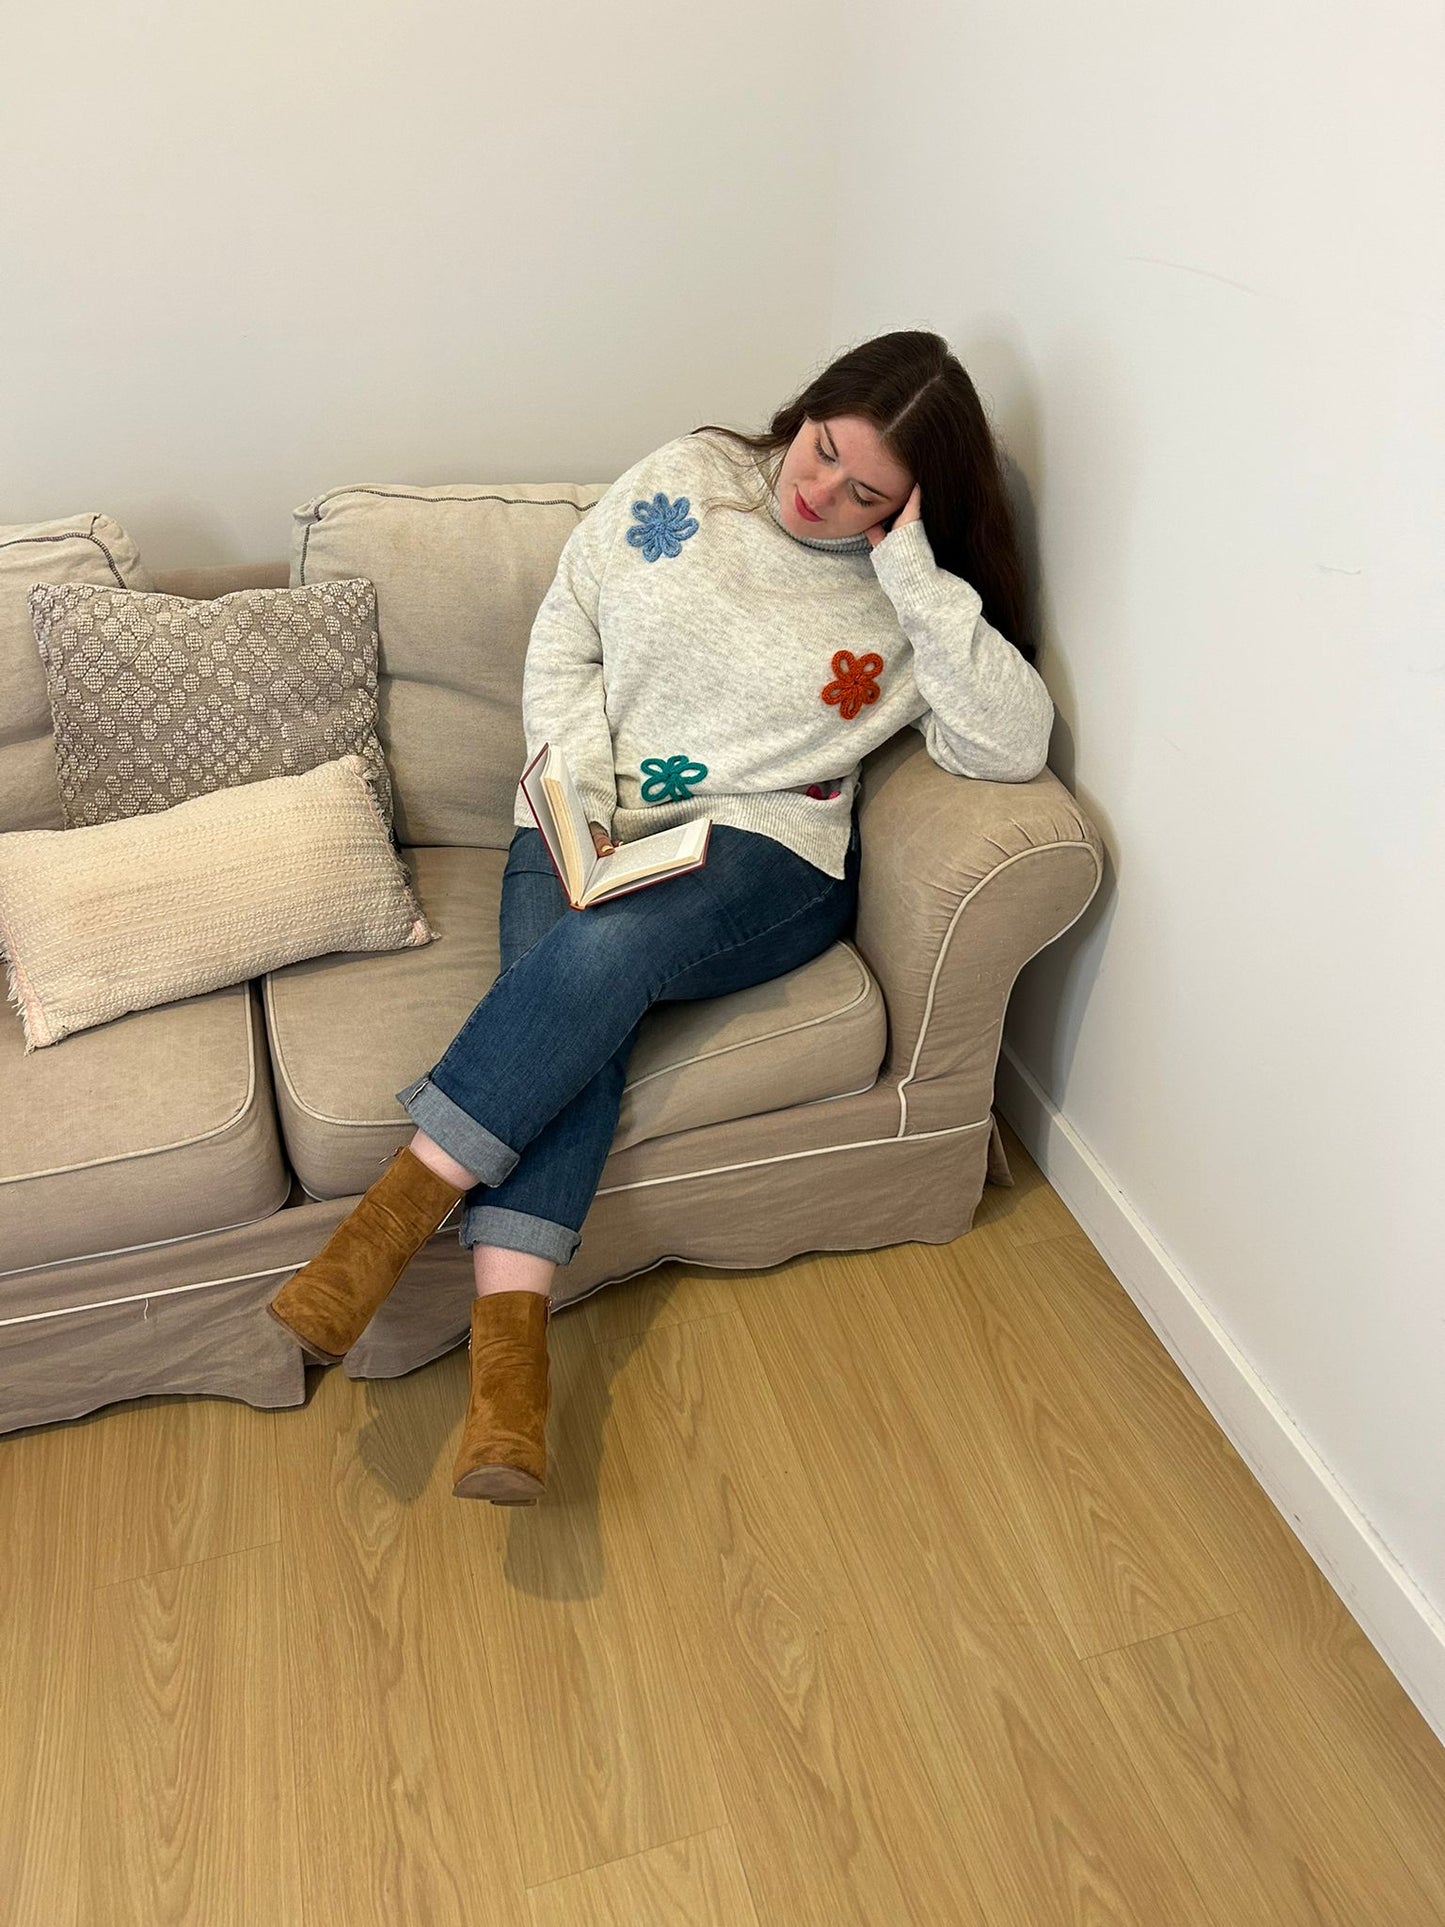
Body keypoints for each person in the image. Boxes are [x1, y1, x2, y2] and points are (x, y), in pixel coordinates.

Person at [267, 328, 1055, 1506]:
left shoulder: (912, 602)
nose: (820, 486)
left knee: (606, 945)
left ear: (910, 509)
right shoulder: (692, 474)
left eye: (865, 492)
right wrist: (578, 781)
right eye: (822, 445)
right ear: (806, 407)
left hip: (760, 853)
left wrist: (912, 579)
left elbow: (1008, 743)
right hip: (583, 813)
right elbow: (570, 614)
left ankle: (388, 1219)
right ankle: (507, 1389)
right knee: (575, 997)